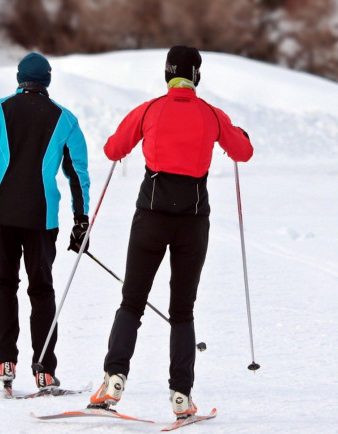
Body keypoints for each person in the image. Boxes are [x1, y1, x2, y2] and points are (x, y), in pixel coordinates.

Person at [89, 46, 253, 418]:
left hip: (150, 218)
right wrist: (238, 133)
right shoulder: (211, 114)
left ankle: (114, 379)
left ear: (167, 74)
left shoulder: (149, 109)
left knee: (132, 301)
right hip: (193, 222)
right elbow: (243, 152)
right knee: (182, 310)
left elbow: (113, 149)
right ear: (196, 75)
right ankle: (181, 395)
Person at [0, 52, 91, 391]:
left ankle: (5, 362)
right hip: (42, 217)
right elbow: (77, 174)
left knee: (4, 284)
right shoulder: (64, 119)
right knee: (41, 290)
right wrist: (82, 220)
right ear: (47, 80)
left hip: (2, 215)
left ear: (19, 78)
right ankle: (44, 370)